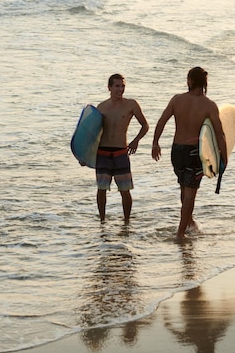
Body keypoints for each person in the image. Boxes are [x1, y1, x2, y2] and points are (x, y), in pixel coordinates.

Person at [151, 67, 227, 240]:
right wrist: (223, 157)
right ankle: (180, 233)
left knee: (184, 189)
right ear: (205, 83)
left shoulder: (177, 100)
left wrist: (155, 143)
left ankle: (189, 221)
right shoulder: (209, 105)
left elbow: (161, 121)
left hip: (176, 151)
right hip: (194, 153)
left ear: (190, 81)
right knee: (190, 195)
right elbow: (219, 133)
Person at [95, 73, 149, 223]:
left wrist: (136, 141)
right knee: (101, 189)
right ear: (109, 87)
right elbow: (92, 134)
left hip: (120, 152)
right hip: (103, 152)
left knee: (125, 190)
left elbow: (145, 125)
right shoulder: (101, 107)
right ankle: (102, 221)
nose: (120, 89)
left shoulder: (131, 104)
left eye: (123, 86)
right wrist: (85, 155)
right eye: (117, 86)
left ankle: (126, 221)